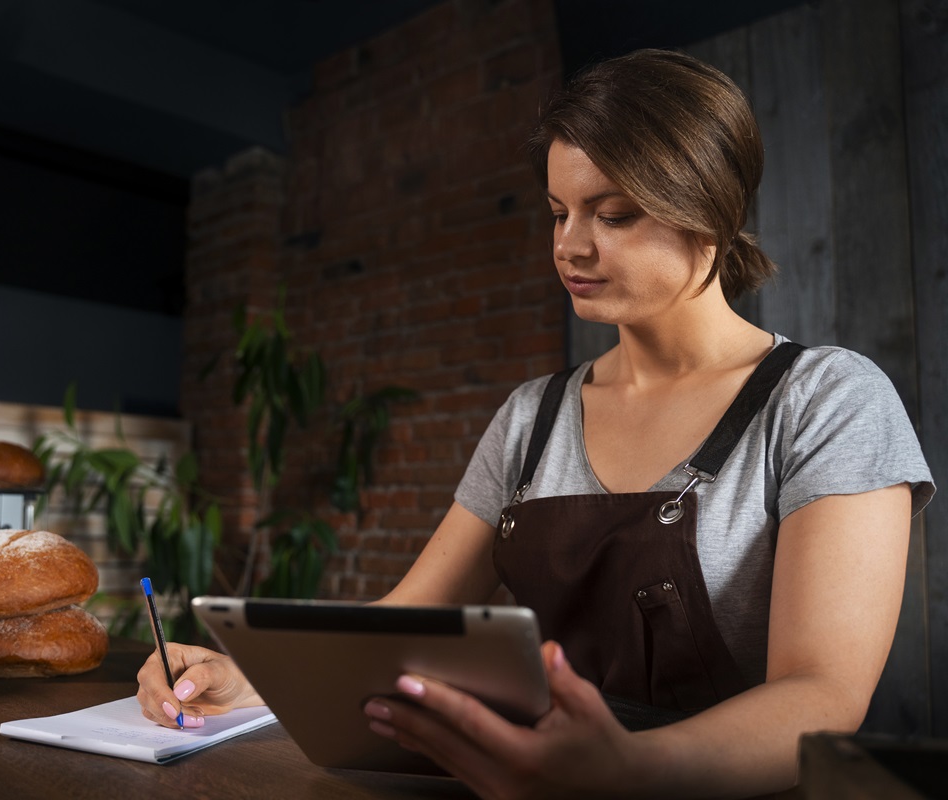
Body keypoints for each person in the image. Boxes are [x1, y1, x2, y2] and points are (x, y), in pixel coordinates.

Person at [137, 49, 934, 798]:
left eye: (614, 215)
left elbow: (823, 694)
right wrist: (251, 672)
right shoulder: (532, 416)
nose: (569, 246)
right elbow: (404, 618)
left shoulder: (826, 401)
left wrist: (623, 769)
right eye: (559, 212)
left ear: (711, 211)